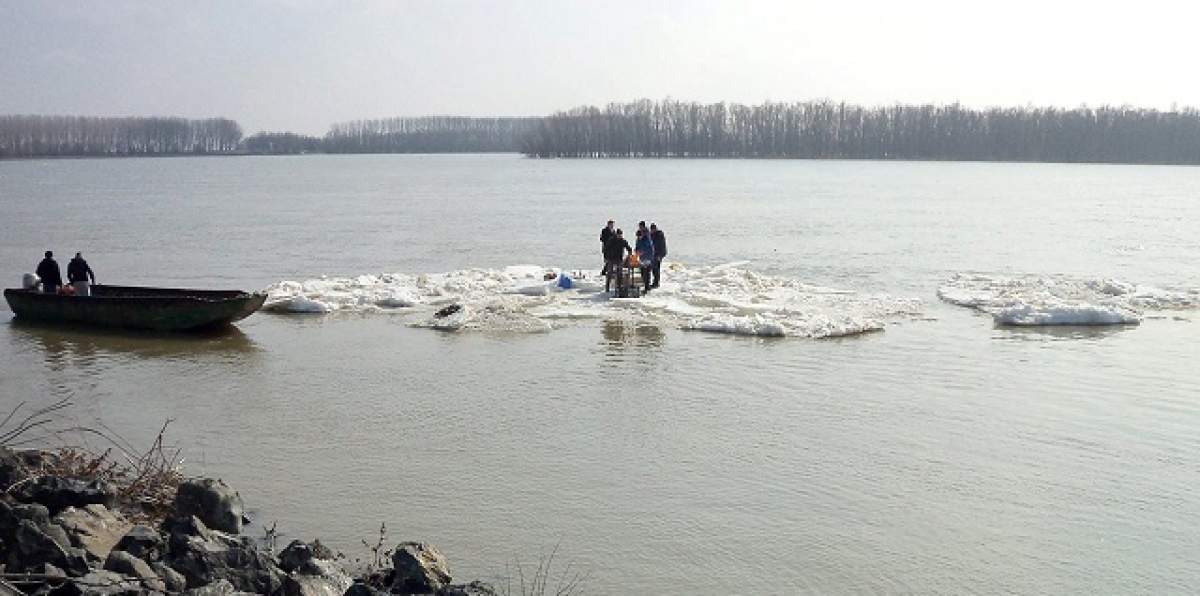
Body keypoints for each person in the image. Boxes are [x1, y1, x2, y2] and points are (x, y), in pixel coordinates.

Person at [635, 229, 655, 294]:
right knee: (643, 272)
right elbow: (637, 247)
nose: (639, 237)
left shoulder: (647, 240)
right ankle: (646, 285)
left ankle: (647, 287)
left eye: (639, 236)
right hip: (642, 258)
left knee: (646, 273)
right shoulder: (638, 240)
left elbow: (649, 248)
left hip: (648, 258)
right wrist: (636, 250)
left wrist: (642, 252)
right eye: (638, 236)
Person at [650, 223, 667, 288]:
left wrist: (660, 255)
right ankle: (655, 282)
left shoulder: (659, 235)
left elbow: (662, 246)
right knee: (654, 269)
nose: (651, 231)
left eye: (652, 230)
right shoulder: (652, 235)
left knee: (656, 268)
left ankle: (656, 283)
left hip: (659, 254)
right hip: (654, 254)